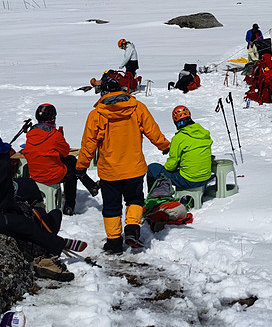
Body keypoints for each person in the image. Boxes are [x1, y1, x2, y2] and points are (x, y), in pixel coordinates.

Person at [75, 74, 170, 253]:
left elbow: (88, 144)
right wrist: (164, 146)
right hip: (134, 167)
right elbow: (152, 131)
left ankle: (114, 242)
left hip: (110, 171)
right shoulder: (137, 107)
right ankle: (133, 229)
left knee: (112, 206)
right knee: (135, 199)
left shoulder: (97, 115)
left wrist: (81, 166)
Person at [21, 103, 101, 216]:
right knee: (72, 170)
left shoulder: (30, 134)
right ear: (53, 118)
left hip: (35, 174)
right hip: (52, 175)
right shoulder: (54, 135)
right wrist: (60, 137)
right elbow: (65, 151)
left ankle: (91, 186)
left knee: (71, 161)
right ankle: (69, 206)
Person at [146, 106, 213, 192]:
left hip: (189, 181)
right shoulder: (204, 133)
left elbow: (171, 166)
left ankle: (154, 197)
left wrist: (165, 169)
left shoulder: (178, 138)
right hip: (206, 177)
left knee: (152, 168)